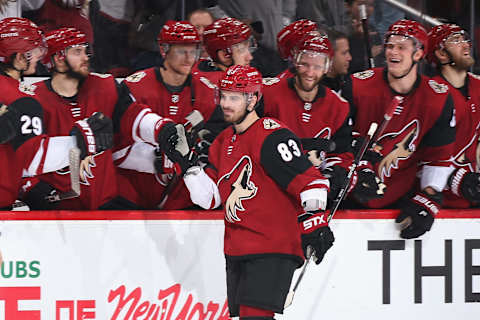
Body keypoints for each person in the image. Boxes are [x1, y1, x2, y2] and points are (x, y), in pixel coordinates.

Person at [181, 65, 333, 319]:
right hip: (237, 248)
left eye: (235, 97)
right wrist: (186, 165)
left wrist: (315, 222)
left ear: (253, 99)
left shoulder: (272, 135)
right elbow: (209, 198)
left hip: (272, 247)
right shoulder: (222, 142)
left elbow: (311, 180)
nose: (226, 104)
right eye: (224, 96)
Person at [342, 19, 456, 239]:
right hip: (353, 194)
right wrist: (355, 173)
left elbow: (438, 157)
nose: (393, 52)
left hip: (402, 196)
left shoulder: (437, 98)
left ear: (418, 54)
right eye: (390, 46)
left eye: (401, 47)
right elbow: (340, 142)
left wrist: (428, 198)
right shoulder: (357, 86)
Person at [262, 33, 383, 206]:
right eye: (304, 64)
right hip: (269, 191)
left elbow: (341, 153)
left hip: (312, 195)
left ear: (327, 67)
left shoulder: (338, 106)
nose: (310, 72)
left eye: (317, 66)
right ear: (295, 62)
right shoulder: (267, 93)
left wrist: (335, 173)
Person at [114, 20, 211, 209]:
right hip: (132, 190)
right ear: (164, 50)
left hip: (178, 192)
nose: (189, 57)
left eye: (193, 51)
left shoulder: (206, 93)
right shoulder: (135, 87)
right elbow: (116, 144)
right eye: (181, 50)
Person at [0, 17, 96, 209]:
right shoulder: (22, 99)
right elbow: (33, 159)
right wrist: (80, 141)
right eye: (34, 51)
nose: (38, 56)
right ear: (19, 57)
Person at [427, 24, 480, 208]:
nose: (466, 45)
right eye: (456, 41)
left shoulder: (478, 86)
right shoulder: (429, 93)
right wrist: (457, 179)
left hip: (472, 195)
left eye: (465, 39)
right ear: (441, 54)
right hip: (434, 199)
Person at [322, 28, 352, 93]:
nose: (349, 58)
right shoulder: (315, 91)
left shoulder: (348, 83)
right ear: (329, 56)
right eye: (344, 53)